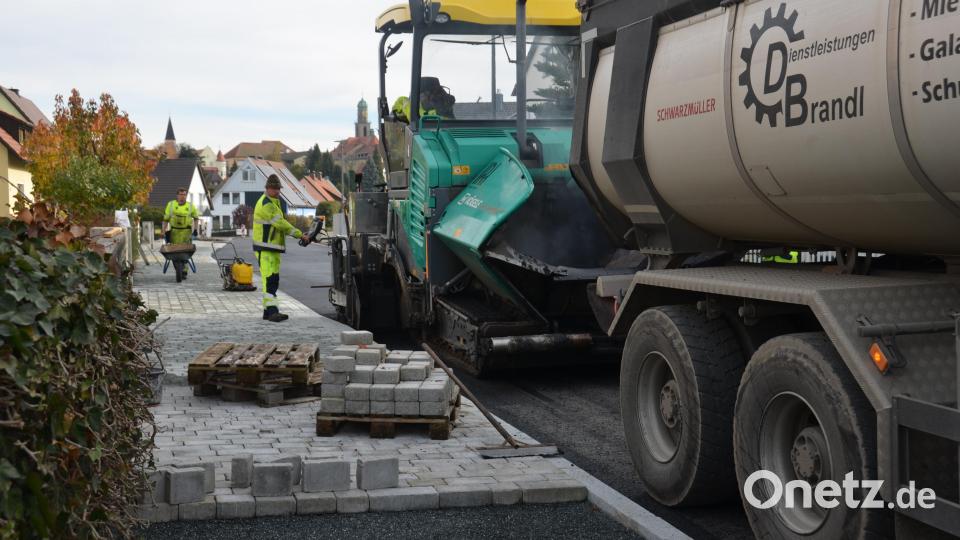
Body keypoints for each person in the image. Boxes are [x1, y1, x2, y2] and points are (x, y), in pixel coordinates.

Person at [253, 174, 310, 322]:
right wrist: (299, 235)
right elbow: (281, 224)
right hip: (265, 248)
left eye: (278, 188)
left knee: (272, 279)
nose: (277, 191)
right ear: (267, 188)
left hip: (272, 248)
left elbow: (281, 222)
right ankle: (272, 312)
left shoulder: (274, 201)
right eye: (274, 188)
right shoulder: (266, 204)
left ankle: (267, 312)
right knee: (270, 280)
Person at [162, 188, 200, 279]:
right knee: (174, 252)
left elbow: (196, 218)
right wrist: (163, 230)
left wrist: (196, 229)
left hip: (186, 232)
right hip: (174, 232)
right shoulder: (171, 205)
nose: (182, 196)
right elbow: (166, 219)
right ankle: (178, 269)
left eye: (184, 195)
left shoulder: (190, 206)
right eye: (181, 194)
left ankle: (184, 271)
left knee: (186, 252)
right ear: (177, 195)